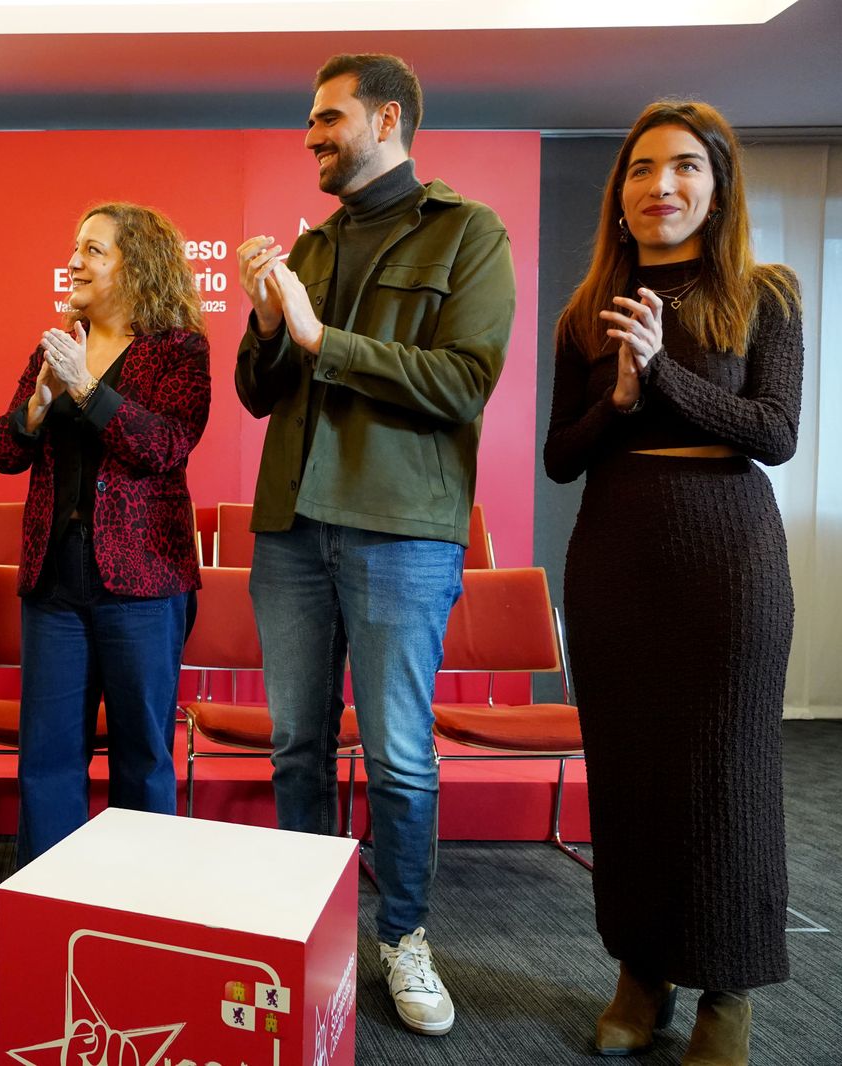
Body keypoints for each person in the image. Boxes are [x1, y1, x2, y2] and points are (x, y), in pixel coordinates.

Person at [235, 53, 514, 1038]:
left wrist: (319, 340)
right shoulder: (306, 251)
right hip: (292, 534)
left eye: (327, 119)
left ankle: (402, 936)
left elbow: (462, 382)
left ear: (385, 118)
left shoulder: (468, 232)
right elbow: (257, 391)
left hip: (402, 533)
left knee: (399, 757)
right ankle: (307, 932)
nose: (310, 135)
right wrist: (271, 326)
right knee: (295, 746)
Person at [545, 100, 801, 1066]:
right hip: (617, 554)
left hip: (727, 560)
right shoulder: (585, 309)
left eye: (686, 167)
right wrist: (615, 397)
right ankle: (641, 976)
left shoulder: (765, 294)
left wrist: (661, 376)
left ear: (717, 186)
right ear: (620, 196)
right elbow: (560, 457)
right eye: (644, 169)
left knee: (726, 775)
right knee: (633, 777)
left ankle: (727, 994)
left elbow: (774, 433)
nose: (663, 186)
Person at [0, 202, 211, 867]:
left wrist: (88, 389)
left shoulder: (179, 349)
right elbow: (4, 451)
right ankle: (51, 909)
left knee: (143, 757)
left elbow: (168, 445)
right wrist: (35, 408)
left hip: (144, 584)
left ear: (135, 265)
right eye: (74, 246)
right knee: (49, 759)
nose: (74, 260)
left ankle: (139, 914)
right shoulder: (56, 346)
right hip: (55, 580)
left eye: (93, 249)